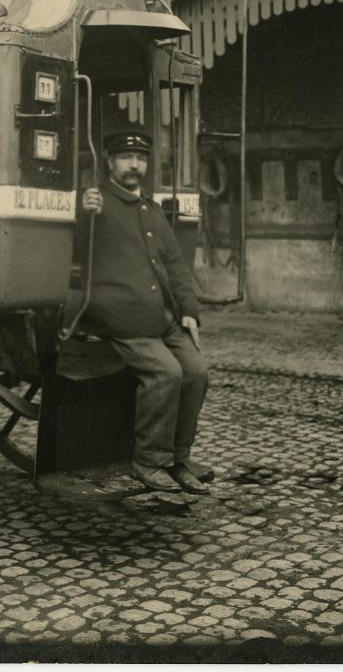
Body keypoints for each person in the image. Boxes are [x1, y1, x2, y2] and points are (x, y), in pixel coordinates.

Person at [78, 125, 214, 495]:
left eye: (140, 158)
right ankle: (149, 462)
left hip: (162, 318)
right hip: (120, 316)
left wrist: (188, 310)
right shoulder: (96, 202)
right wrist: (83, 213)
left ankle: (179, 460)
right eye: (126, 158)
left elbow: (176, 267)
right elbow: (76, 249)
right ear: (109, 162)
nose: (134, 165)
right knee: (166, 373)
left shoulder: (151, 210)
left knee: (197, 372)